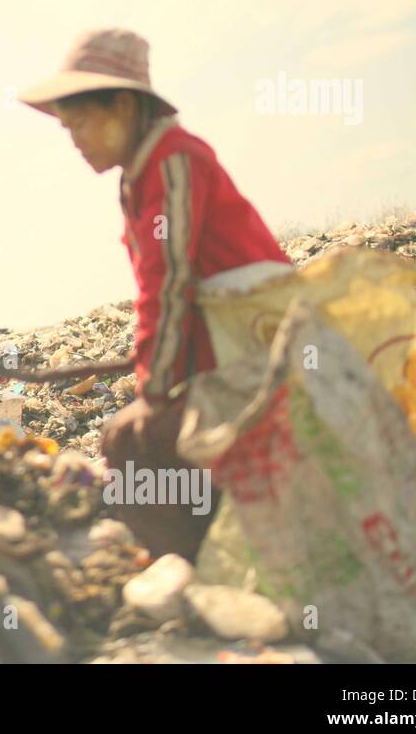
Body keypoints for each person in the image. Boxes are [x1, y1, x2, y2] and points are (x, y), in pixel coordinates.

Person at [19, 28, 291, 560]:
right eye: (67, 127)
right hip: (225, 353)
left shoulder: (172, 161)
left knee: (130, 442)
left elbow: (169, 287)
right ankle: (214, 559)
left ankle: (196, 570)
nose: (75, 139)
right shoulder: (141, 174)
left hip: (259, 354)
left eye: (82, 122)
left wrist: (155, 391)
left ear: (123, 104)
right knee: (148, 442)